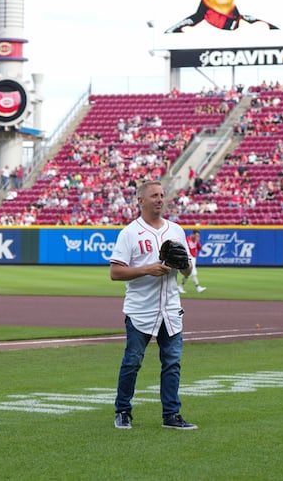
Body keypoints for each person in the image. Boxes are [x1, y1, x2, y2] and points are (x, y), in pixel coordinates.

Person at [110, 180, 197, 430]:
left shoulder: (176, 230)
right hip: (141, 309)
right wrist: (147, 269)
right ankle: (123, 410)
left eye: (162, 195)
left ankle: (171, 415)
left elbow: (188, 269)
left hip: (170, 308)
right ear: (141, 201)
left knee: (172, 362)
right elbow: (115, 273)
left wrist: (184, 265)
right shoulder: (129, 233)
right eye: (154, 196)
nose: (159, 199)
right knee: (133, 361)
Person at [180, 229, 206, 294]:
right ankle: (198, 287)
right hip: (188, 257)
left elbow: (200, 248)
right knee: (193, 273)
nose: (197, 237)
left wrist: (198, 241)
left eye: (198, 236)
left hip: (194, 258)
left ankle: (180, 286)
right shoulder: (187, 239)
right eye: (196, 235)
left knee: (187, 274)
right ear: (193, 234)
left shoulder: (195, 241)